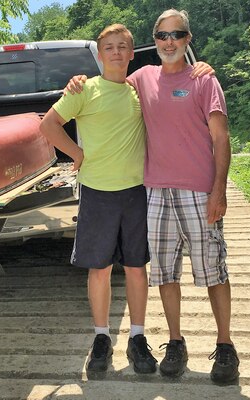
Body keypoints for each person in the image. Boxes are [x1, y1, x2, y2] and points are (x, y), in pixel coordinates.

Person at [66, 9, 239, 384]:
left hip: (198, 191)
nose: (169, 41)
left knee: (213, 272)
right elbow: (108, 84)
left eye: (177, 34)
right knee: (164, 274)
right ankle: (175, 342)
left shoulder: (204, 81)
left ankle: (225, 345)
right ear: (154, 41)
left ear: (188, 39)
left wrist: (219, 190)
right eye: (162, 35)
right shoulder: (141, 78)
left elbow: (221, 138)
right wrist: (78, 81)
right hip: (155, 192)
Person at [40, 24, 158, 374]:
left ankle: (137, 339)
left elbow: (171, 77)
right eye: (109, 47)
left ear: (132, 54)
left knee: (137, 267)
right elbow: (48, 125)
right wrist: (76, 154)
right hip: (97, 193)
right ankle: (102, 338)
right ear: (100, 54)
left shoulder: (139, 91)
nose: (117, 52)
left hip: (136, 192)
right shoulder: (84, 89)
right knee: (100, 268)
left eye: (123, 46)